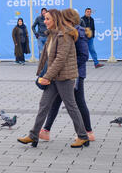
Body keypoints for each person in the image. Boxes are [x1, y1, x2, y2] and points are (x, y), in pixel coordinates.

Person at [17, 9, 90, 149]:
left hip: (64, 77)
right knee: (44, 105)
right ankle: (33, 135)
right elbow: (47, 58)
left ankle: (83, 136)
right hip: (53, 77)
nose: (44, 22)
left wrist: (46, 76)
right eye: (44, 19)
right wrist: (42, 74)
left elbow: (60, 59)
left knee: (71, 106)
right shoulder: (53, 35)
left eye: (47, 19)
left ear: (56, 20)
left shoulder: (64, 36)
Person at [39, 8, 95, 142]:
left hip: (75, 75)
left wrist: (70, 67)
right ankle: (45, 130)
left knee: (78, 102)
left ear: (68, 19)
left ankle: (88, 132)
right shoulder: (65, 32)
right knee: (56, 101)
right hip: (63, 74)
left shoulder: (78, 33)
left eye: (63, 18)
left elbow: (84, 55)